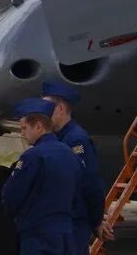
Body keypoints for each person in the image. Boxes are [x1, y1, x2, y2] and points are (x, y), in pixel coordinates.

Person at [1, 97, 82, 255]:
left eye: (24, 128)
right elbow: (78, 193)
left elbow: (11, 196)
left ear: (39, 127)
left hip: (38, 236)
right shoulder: (69, 154)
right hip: (66, 234)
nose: (22, 133)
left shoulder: (33, 157)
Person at [42, 81, 112, 251]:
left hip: (73, 224)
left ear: (59, 109)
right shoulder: (57, 138)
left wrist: (95, 221)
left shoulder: (75, 140)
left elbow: (90, 185)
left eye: (45, 109)